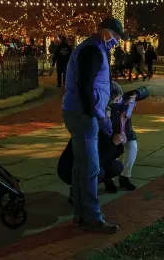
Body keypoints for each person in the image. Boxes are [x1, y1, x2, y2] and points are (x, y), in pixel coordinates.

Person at [62, 16, 128, 232]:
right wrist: (96, 114)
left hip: (79, 112)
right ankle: (93, 218)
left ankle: (80, 215)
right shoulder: (92, 50)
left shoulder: (94, 48)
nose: (117, 40)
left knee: (81, 166)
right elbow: (86, 86)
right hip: (83, 114)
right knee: (91, 168)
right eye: (116, 36)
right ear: (106, 31)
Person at [108, 82, 150, 192]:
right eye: (116, 99)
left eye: (119, 98)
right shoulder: (106, 105)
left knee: (132, 147)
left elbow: (146, 90)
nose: (119, 100)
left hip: (126, 131)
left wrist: (136, 94)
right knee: (112, 153)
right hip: (110, 133)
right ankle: (109, 179)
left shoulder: (125, 97)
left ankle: (125, 176)